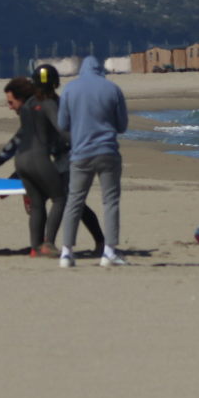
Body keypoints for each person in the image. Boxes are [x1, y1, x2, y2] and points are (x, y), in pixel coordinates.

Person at [0, 70, 104, 258]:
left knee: (71, 202)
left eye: (11, 102)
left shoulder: (50, 105)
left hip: (68, 158)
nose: (10, 107)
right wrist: (10, 177)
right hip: (54, 160)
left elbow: (52, 137)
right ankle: (43, 245)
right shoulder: (36, 107)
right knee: (61, 200)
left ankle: (95, 242)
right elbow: (27, 144)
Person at [55, 55, 129, 268]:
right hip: (107, 151)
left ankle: (67, 253)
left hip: (80, 153)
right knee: (110, 201)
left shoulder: (70, 89)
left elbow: (63, 123)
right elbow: (122, 126)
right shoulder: (112, 89)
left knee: (74, 201)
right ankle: (109, 252)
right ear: (100, 70)